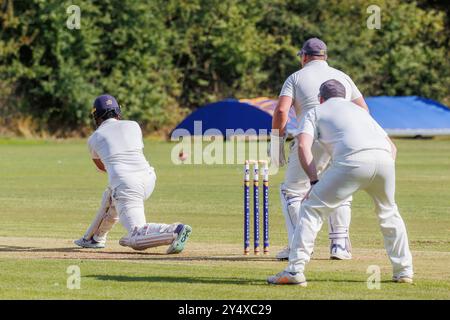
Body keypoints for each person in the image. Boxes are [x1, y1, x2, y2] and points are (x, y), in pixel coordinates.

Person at [267, 80, 413, 286]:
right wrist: (379, 170)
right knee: (389, 212)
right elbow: (393, 148)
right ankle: (404, 271)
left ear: (320, 98)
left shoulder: (316, 111)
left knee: (310, 209)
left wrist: (314, 181)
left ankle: (294, 271)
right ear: (344, 97)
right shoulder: (360, 111)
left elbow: (303, 145)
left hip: (351, 161)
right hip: (385, 161)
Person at [271, 37, 369, 260]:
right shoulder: (342, 76)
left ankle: (299, 245)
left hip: (311, 135)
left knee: (292, 190)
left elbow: (280, 112)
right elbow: (363, 109)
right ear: (325, 56)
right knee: (339, 189)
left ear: (304, 57)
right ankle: (339, 246)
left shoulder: (295, 77)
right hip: (343, 139)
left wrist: (276, 143)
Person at [74, 94, 192, 254]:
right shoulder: (134, 125)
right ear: (118, 112)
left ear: (96, 116)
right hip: (149, 178)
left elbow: (102, 167)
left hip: (127, 185)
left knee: (135, 238)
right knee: (111, 195)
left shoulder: (94, 138)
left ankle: (175, 230)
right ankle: (94, 238)